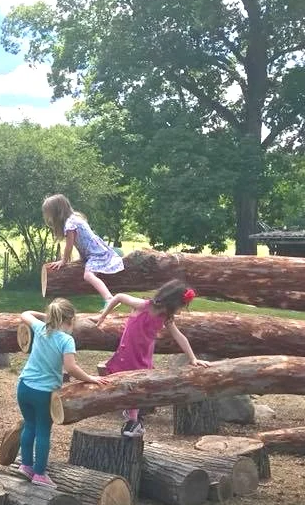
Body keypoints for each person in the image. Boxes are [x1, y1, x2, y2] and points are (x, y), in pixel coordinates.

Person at [95, 279, 210, 437]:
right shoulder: (143, 305)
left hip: (143, 355)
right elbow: (119, 297)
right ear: (173, 302)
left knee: (139, 385)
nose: (181, 310)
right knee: (123, 381)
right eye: (181, 306)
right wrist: (102, 317)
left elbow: (179, 336)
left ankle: (132, 422)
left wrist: (193, 358)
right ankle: (130, 418)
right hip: (129, 351)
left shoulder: (165, 317)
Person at [18, 298, 106, 488]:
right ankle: (40, 474)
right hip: (43, 393)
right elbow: (71, 368)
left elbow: (25, 313)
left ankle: (26, 465)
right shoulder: (67, 340)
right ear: (71, 320)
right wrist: (90, 378)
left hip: (24, 387)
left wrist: (47, 318)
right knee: (42, 431)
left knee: (30, 426)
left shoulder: (41, 328)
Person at [42, 193, 123, 303]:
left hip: (97, 253)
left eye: (49, 213)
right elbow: (81, 243)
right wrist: (82, 259)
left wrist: (64, 260)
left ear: (57, 212)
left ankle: (109, 299)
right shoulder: (74, 218)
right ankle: (109, 299)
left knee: (88, 276)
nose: (48, 216)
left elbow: (69, 245)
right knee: (87, 274)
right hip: (94, 252)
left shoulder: (70, 224)